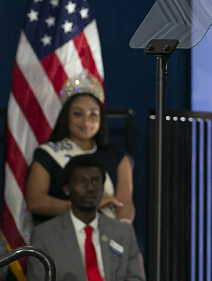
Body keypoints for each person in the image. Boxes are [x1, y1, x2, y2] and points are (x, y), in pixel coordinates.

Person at [26, 154, 146, 281]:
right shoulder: (44, 234)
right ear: (66, 189)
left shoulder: (123, 232)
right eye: (81, 181)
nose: (90, 188)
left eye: (96, 181)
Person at [25, 73, 135, 224]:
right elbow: (35, 202)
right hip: (62, 235)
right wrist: (85, 206)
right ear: (66, 116)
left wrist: (122, 233)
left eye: (93, 114)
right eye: (78, 114)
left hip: (107, 235)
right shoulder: (47, 154)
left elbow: (124, 203)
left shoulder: (117, 156)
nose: (86, 121)